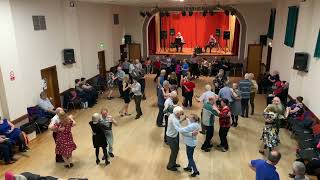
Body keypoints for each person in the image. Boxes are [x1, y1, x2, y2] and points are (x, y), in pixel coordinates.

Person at [166, 106, 196, 172]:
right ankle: (170, 166)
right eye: (180, 113)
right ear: (177, 113)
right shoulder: (174, 120)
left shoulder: (172, 115)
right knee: (174, 151)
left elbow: (177, 122)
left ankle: (173, 163)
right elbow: (182, 131)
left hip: (174, 136)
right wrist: (191, 134)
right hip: (171, 138)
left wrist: (183, 119)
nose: (181, 114)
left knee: (176, 150)